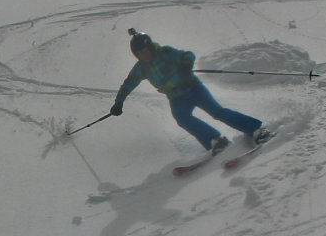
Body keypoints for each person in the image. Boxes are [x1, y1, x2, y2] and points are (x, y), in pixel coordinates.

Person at [110, 28, 270, 153]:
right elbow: (127, 85)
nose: (144, 55)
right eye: (140, 54)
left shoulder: (165, 52)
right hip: (176, 98)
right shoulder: (141, 69)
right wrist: (119, 103)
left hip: (193, 88)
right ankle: (216, 141)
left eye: (145, 51)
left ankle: (256, 129)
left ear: (151, 47)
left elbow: (188, 55)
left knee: (217, 112)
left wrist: (186, 66)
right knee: (182, 118)